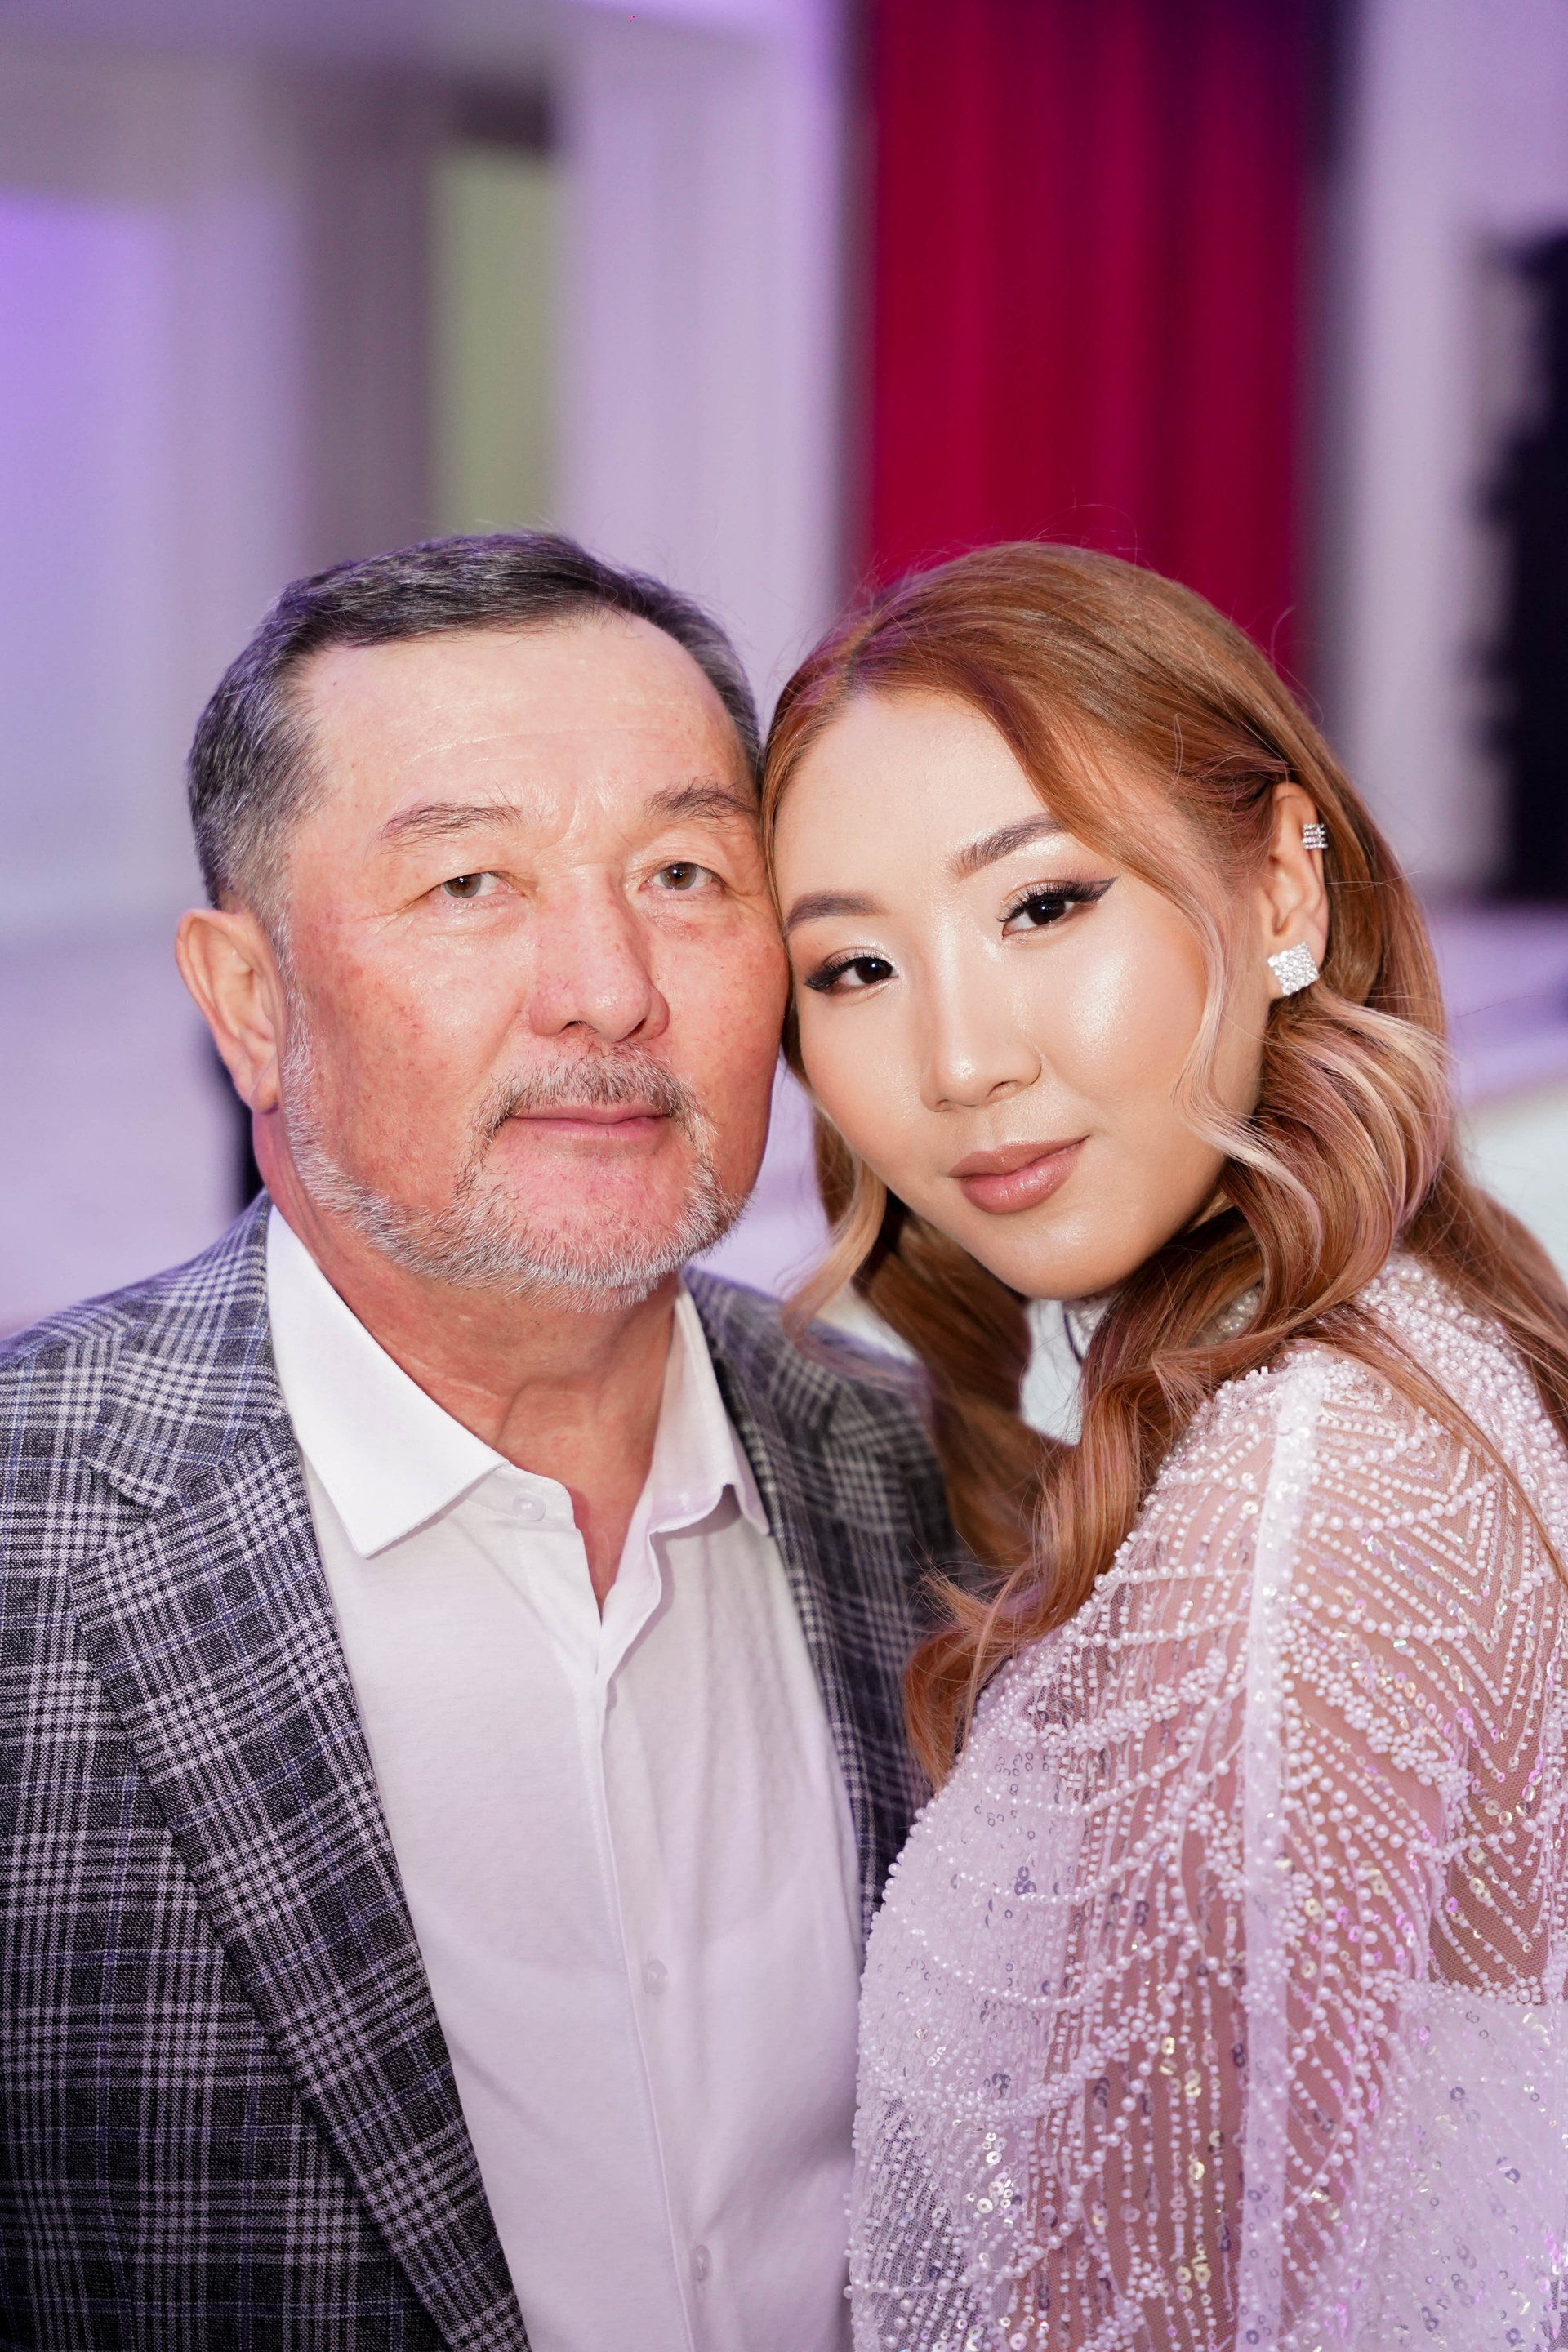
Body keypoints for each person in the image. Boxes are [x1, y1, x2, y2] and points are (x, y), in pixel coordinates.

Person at [0, 532, 963, 2351]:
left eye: (684, 874)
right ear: (250, 1000)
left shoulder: (932, 1476)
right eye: (468, 883)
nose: (608, 987)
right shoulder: (28, 1541)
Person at [763, 542, 1568, 2352]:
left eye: (1045, 905)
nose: (960, 1059)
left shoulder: (1302, 1509)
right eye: (857, 966)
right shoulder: (1394, 1356)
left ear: (1282, 882)